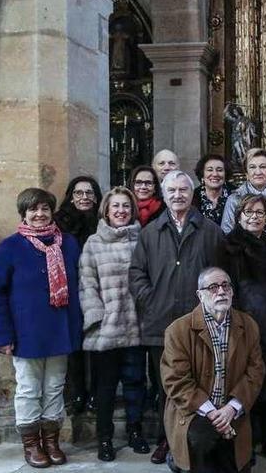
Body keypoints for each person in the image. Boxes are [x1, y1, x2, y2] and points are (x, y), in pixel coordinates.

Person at [129, 170, 224, 464]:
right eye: (172, 191)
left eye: (183, 190)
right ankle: (167, 440)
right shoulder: (150, 233)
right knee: (165, 387)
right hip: (162, 324)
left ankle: (199, 441)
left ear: (192, 193)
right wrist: (153, 300)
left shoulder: (210, 232)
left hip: (201, 326)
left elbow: (221, 276)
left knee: (199, 385)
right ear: (164, 194)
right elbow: (136, 274)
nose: (178, 195)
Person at [0, 188, 83, 468]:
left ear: (52, 212)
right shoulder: (9, 247)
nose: (39, 214)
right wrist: (1, 335)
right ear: (24, 214)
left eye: (44, 209)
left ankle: (51, 441)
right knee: (28, 388)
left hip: (60, 330)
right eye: (33, 210)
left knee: (54, 387)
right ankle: (31, 444)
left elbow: (78, 289)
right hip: (25, 334)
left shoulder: (69, 244)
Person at [161, 267, 266, 473]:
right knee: (203, 441)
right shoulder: (178, 330)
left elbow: (256, 372)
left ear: (233, 292)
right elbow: (175, 380)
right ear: (200, 295)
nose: (221, 291)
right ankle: (178, 456)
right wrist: (212, 412)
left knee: (235, 459)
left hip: (231, 408)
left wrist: (231, 409)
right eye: (213, 287)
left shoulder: (248, 325)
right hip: (194, 410)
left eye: (225, 286)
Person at [217, 194, 266, 463]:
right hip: (242, 325)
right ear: (238, 216)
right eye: (248, 212)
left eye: (260, 212)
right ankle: (246, 442)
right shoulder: (228, 246)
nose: (254, 216)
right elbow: (223, 289)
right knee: (245, 385)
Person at [78, 187, 150, 461]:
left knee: (135, 383)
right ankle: (105, 438)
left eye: (126, 207)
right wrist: (98, 317)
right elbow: (87, 284)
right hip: (106, 329)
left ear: (132, 211)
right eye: (115, 206)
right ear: (106, 211)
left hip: (136, 325)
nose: (121, 211)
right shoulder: (94, 243)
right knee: (105, 387)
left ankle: (135, 431)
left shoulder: (142, 240)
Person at [54, 176, 103, 414]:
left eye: (89, 193)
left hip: (98, 292)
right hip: (69, 292)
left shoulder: (104, 223)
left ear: (96, 197)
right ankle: (76, 394)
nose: (84, 197)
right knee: (73, 347)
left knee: (96, 346)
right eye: (79, 193)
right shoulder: (58, 225)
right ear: (71, 197)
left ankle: (96, 393)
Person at [221, 148, 266, 235]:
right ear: (246, 173)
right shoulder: (234, 199)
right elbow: (227, 233)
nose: (258, 172)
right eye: (252, 167)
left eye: (263, 167)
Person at [193, 154, 234, 224]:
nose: (215, 174)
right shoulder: (192, 197)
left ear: (225, 174)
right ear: (202, 174)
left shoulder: (236, 195)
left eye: (219, 170)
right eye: (210, 170)